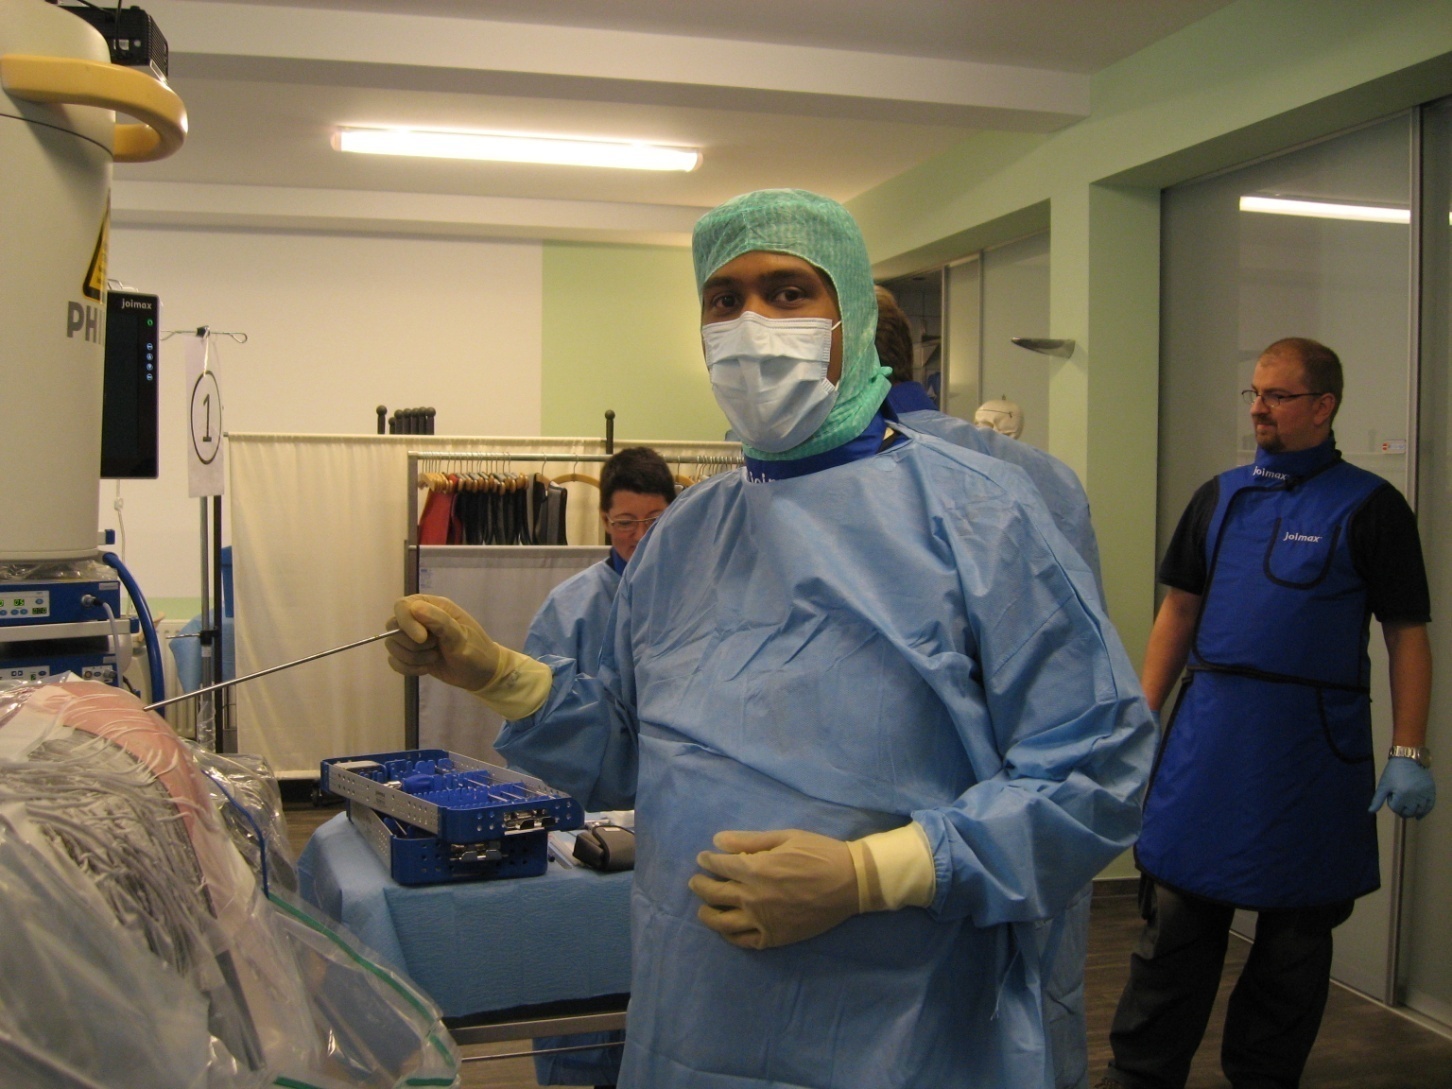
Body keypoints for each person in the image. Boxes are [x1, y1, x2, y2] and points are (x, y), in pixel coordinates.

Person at [388, 188, 1157, 1089]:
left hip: (897, 1022)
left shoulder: (979, 513)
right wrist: (498, 673)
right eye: (724, 299)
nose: (751, 323)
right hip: (696, 1010)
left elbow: (1095, 768)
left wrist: (871, 873)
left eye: (789, 293)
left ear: (851, 315)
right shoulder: (686, 533)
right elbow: (633, 753)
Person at [1099, 337, 1436, 1089]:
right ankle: (1138, 1074)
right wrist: (1140, 715)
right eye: (1254, 392)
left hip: (1310, 754)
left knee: (1294, 947)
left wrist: (1408, 750)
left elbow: (1406, 633)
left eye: (1278, 395)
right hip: (1210, 745)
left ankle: (1263, 1077)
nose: (1259, 408)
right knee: (1175, 929)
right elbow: (1178, 611)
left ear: (1324, 406)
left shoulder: (1372, 507)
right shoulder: (1218, 497)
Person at [877, 284, 1098, 1089]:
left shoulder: (857, 481)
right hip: (1024, 815)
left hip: (911, 831)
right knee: (1030, 1009)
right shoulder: (1044, 477)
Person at [527, 445, 676, 1089]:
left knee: (667, 995)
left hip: (679, 828)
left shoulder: (703, 597)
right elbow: (547, 733)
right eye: (624, 523)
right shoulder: (571, 608)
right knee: (585, 990)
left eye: (654, 521)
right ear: (603, 521)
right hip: (589, 832)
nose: (639, 537)